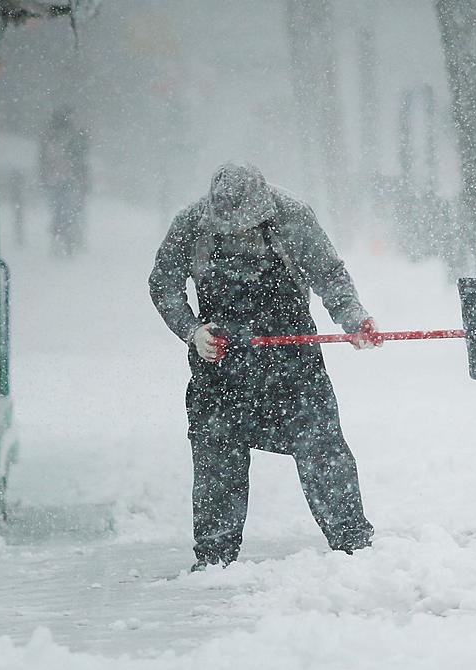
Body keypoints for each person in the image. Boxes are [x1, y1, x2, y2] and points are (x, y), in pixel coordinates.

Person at [149, 163, 379, 571]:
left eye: (247, 229)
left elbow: (329, 273)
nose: (239, 237)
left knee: (322, 448)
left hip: (293, 364)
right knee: (216, 459)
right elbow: (163, 284)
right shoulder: (189, 224)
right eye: (230, 231)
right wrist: (192, 331)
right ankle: (215, 558)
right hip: (219, 366)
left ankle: (353, 545)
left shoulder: (293, 217)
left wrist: (353, 317)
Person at [38, 107, 91, 256]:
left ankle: (59, 233)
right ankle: (66, 234)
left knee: (58, 208)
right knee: (67, 208)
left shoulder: (50, 136)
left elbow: (43, 158)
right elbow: (79, 157)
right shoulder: (72, 136)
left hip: (54, 179)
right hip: (68, 178)